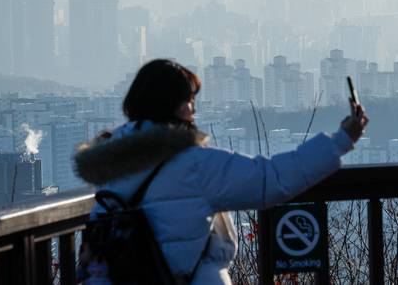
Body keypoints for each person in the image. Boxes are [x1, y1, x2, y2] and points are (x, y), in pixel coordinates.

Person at [74, 59, 368, 285]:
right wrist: (341, 140)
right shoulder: (192, 164)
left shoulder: (111, 162)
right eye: (189, 101)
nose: (193, 110)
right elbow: (272, 179)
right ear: (175, 107)